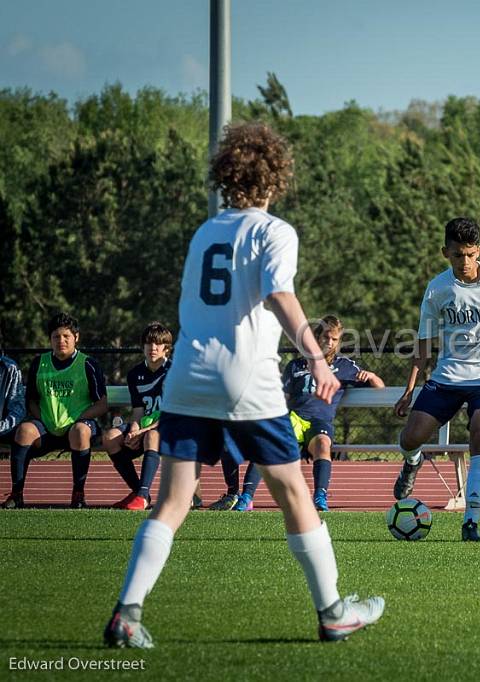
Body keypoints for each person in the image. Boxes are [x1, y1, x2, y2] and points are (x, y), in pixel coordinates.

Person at [103, 121, 383, 649]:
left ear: (225, 176)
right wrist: (318, 358)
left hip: (188, 373)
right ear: (274, 177)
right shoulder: (274, 231)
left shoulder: (205, 232)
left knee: (174, 499)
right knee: (294, 493)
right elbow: (280, 294)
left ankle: (126, 612)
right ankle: (333, 613)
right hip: (245, 377)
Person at [392, 217, 480, 542]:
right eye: (457, 255)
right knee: (410, 438)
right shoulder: (438, 289)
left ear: (478, 250)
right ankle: (413, 462)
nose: (464, 262)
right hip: (448, 377)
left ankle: (471, 520)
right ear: (445, 253)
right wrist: (410, 387)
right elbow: (424, 340)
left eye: (469, 254)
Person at [211, 316, 384, 512]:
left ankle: (319, 496)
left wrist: (372, 376)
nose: (329, 342)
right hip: (294, 419)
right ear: (316, 337)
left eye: (334, 339)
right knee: (265, 444)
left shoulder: (344, 366)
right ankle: (246, 497)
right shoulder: (295, 366)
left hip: (319, 421)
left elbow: (380, 388)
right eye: (326, 337)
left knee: (323, 444)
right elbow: (281, 399)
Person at [3, 312, 108, 509]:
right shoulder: (39, 363)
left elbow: (102, 404)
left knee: (80, 431)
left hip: (77, 428)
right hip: (46, 427)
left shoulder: (88, 364)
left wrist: (78, 418)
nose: (61, 341)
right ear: (50, 339)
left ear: (76, 337)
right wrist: (41, 418)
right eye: (56, 337)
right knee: (24, 431)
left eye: (66, 336)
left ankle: (78, 494)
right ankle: (16, 494)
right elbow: (31, 400)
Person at [102, 322, 173, 511]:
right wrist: (134, 428)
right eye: (149, 343)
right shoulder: (135, 374)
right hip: (145, 426)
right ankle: (140, 492)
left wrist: (143, 431)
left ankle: (141, 495)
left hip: (170, 429)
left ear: (167, 348)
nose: (153, 348)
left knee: (152, 436)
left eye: (158, 344)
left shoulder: (175, 372)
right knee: (109, 438)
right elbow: (138, 411)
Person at [1, 349, 27, 444]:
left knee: (25, 432)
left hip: (3, 428)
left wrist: (2, 427)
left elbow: (17, 408)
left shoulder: (10, 367)